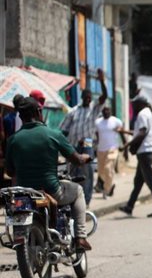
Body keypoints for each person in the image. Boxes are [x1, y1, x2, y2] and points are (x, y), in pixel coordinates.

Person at [6, 96, 92, 250]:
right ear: (39, 112)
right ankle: (80, 237)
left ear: (20, 116)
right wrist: (85, 157)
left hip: (24, 194)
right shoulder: (53, 134)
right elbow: (77, 160)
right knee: (78, 191)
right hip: (51, 191)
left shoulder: (12, 140)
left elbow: (9, 171)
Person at [60, 68, 108, 207]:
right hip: (74, 144)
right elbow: (63, 129)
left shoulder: (94, 109)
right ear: (82, 98)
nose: (88, 99)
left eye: (89, 98)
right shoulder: (74, 111)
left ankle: (86, 200)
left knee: (87, 171)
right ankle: (72, 199)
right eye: (85, 98)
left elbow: (104, 96)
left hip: (87, 144)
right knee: (72, 171)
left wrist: (102, 82)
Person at [118, 95, 152, 218]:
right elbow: (139, 132)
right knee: (138, 181)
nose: (133, 106)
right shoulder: (148, 114)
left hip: (145, 151)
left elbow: (142, 132)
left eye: (135, 104)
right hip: (147, 151)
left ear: (141, 104)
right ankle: (129, 206)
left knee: (150, 180)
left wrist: (127, 146)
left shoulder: (142, 115)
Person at [94, 105, 125, 199]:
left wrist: (125, 147)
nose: (106, 112)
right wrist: (91, 147)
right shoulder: (98, 122)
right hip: (100, 150)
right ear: (102, 112)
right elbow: (95, 136)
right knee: (101, 172)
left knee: (108, 168)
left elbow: (122, 133)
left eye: (108, 110)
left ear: (111, 111)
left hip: (112, 149)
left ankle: (106, 190)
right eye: (104, 110)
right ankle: (110, 185)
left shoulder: (116, 121)